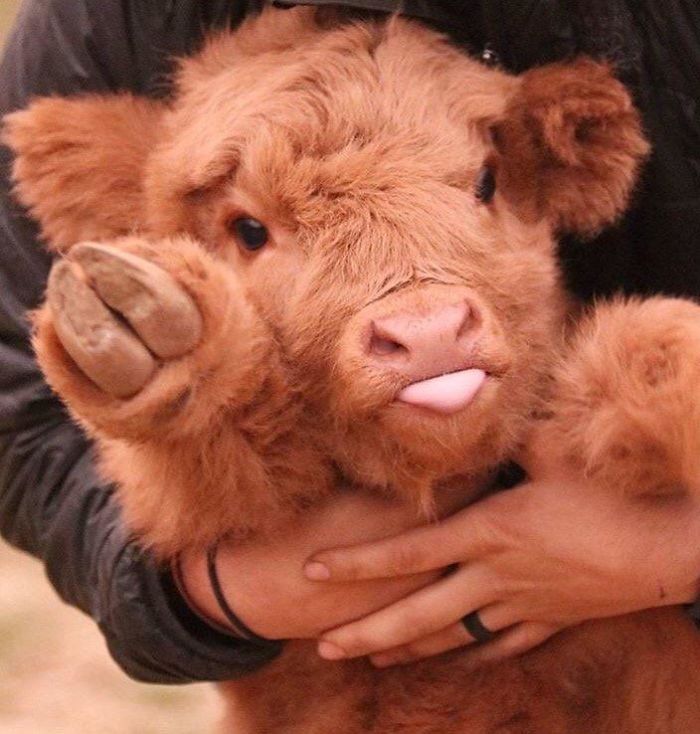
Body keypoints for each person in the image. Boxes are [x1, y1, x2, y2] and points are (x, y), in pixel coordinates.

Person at [1, 0, 699, 685]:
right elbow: (17, 410)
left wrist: (684, 552)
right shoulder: (98, 23)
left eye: (481, 184)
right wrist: (208, 592)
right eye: (251, 232)